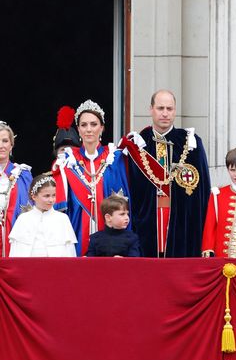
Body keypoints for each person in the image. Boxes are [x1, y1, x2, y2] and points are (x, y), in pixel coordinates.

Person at [119, 89, 212, 258]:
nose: (165, 114)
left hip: (181, 221)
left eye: (169, 109)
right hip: (147, 221)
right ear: (151, 110)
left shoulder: (191, 143)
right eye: (160, 108)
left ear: (175, 111)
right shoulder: (138, 144)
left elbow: (203, 191)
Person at [54, 100, 130, 255]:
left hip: (109, 231)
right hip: (77, 228)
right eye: (84, 125)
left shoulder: (114, 158)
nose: (89, 130)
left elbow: (124, 200)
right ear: (78, 129)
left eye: (93, 124)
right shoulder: (67, 161)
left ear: (101, 128)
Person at [9, 174, 77, 257]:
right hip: (29, 267)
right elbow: (15, 251)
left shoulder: (62, 219)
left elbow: (70, 251)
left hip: (55, 268)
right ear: (34, 196)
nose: (51, 200)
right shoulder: (23, 219)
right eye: (46, 196)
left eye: (54, 195)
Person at [0, 121, 33, 258]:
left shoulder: (22, 174)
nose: (1, 145)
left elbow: (29, 210)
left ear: (11, 145)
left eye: (5, 141)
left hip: (14, 238)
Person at [86, 192, 141, 257]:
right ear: (108, 217)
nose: (127, 218)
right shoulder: (95, 238)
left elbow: (135, 262)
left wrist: (123, 261)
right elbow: (90, 263)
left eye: (127, 214)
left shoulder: (132, 238)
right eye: (122, 214)